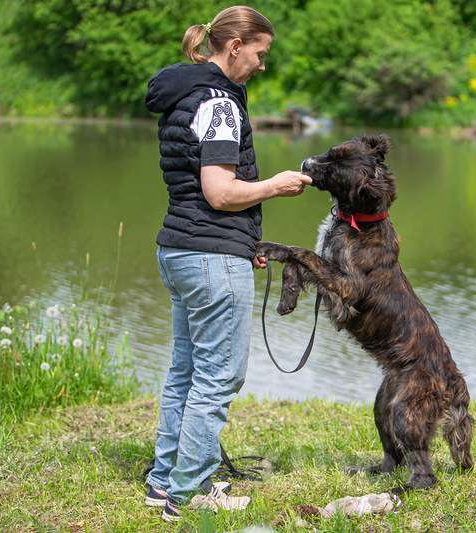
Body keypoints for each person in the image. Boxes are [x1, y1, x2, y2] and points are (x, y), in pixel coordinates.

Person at [142, 5, 311, 522]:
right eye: (260, 54)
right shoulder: (219, 104)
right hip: (210, 258)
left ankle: (162, 482)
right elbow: (219, 192)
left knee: (185, 373)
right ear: (234, 47)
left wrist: (246, 239)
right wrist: (276, 187)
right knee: (218, 379)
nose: (263, 65)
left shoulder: (185, 93)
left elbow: (196, 189)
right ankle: (186, 494)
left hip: (182, 250)